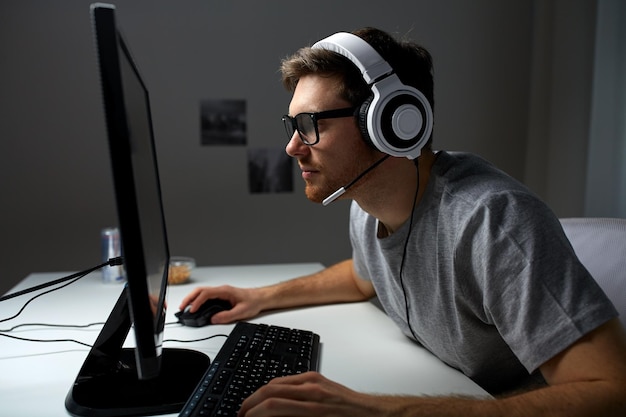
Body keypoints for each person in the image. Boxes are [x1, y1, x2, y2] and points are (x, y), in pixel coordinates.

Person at [180, 27, 626, 416]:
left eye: (311, 124)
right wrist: (258, 299)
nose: (293, 147)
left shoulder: (491, 221)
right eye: (292, 125)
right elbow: (361, 279)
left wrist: (379, 409)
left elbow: (610, 392)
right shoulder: (366, 202)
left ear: (392, 123)